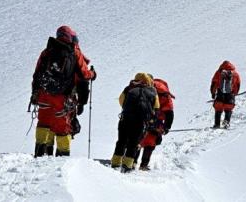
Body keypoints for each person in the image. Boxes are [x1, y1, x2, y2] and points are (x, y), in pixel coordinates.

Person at [31, 25, 96, 157]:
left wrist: (35, 93)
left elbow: (37, 74)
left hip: (44, 94)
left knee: (43, 123)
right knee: (62, 128)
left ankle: (38, 155)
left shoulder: (47, 51)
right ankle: (62, 159)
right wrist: (92, 74)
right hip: (63, 98)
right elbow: (83, 75)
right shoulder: (74, 52)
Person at [111, 73, 159, 172]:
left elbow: (121, 100)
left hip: (125, 119)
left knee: (121, 141)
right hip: (140, 122)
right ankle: (127, 166)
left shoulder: (129, 88)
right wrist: (150, 119)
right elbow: (156, 107)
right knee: (133, 143)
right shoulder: (153, 91)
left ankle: (115, 163)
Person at [134, 77, 175, 170]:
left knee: (139, 140)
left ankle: (133, 161)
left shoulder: (145, 89)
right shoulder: (166, 95)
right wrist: (167, 127)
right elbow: (170, 113)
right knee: (150, 143)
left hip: (143, 119)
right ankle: (143, 165)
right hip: (157, 122)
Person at [210, 61, 241, 129]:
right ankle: (226, 122)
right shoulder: (235, 74)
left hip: (220, 93)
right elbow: (237, 84)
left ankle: (217, 124)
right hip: (230, 94)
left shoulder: (219, 72)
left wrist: (213, 92)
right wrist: (235, 93)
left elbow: (214, 83)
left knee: (218, 108)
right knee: (228, 108)